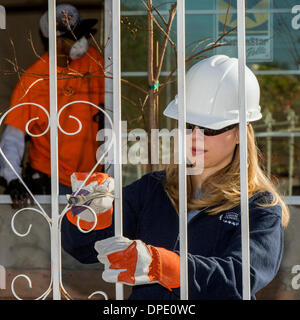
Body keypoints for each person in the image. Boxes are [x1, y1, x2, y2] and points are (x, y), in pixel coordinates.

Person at [61, 55, 290, 300]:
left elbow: (240, 277)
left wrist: (165, 266)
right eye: (189, 124)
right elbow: (83, 249)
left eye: (210, 129)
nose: (195, 136)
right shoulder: (153, 189)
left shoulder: (259, 207)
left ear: (239, 134)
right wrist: (90, 214)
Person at [0, 4, 105, 209]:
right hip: (52, 180)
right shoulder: (32, 80)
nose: (80, 42)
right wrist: (13, 179)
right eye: (71, 37)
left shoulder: (96, 63)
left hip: (93, 179)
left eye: (81, 34)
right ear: (51, 41)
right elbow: (13, 138)